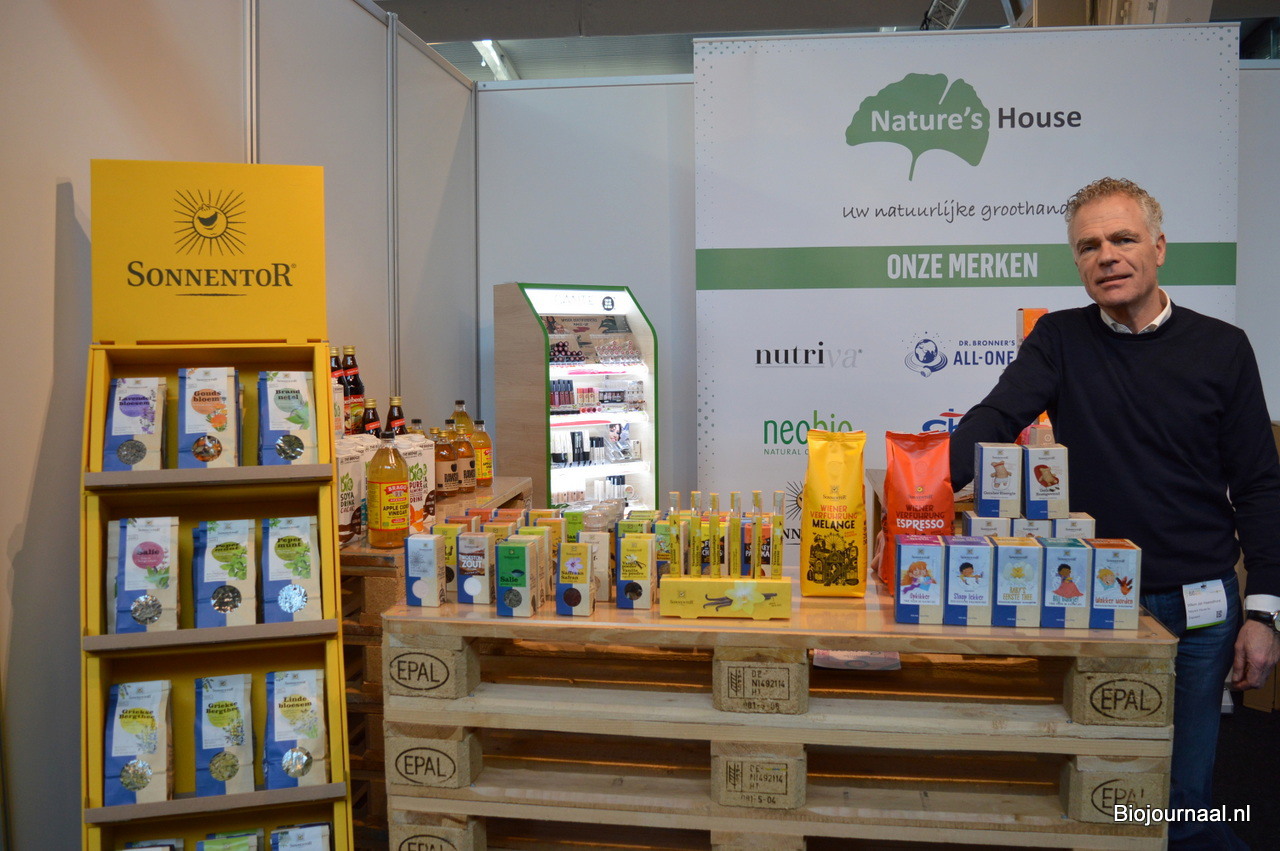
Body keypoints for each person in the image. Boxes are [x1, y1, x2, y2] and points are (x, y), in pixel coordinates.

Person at [949, 177, 1280, 850]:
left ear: (1159, 247)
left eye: (1123, 238)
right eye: (1088, 245)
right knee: (1096, 778)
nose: (1106, 256)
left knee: (1183, 793)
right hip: (1095, 599)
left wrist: (1265, 612)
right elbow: (996, 416)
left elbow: (1259, 485)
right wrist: (927, 493)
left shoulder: (1223, 347)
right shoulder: (1058, 338)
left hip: (1201, 604)